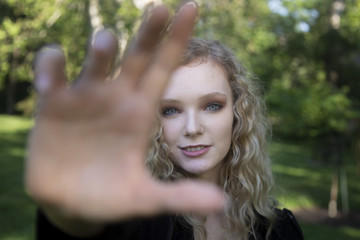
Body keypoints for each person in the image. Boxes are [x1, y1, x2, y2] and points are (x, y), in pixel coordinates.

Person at [26, 2, 303, 240]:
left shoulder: (280, 231)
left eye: (212, 106)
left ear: (238, 113)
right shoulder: (140, 220)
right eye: (171, 110)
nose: (193, 128)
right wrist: (71, 218)